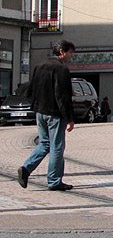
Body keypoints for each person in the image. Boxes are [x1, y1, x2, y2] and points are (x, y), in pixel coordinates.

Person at [17, 40, 77, 191]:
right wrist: (69, 118)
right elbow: (63, 96)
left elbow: (30, 90)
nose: (71, 56)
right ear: (62, 52)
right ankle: (54, 181)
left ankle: (25, 168)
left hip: (40, 112)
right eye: (70, 52)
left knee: (44, 143)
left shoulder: (40, 66)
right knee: (57, 146)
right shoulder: (62, 70)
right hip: (55, 114)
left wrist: (36, 106)